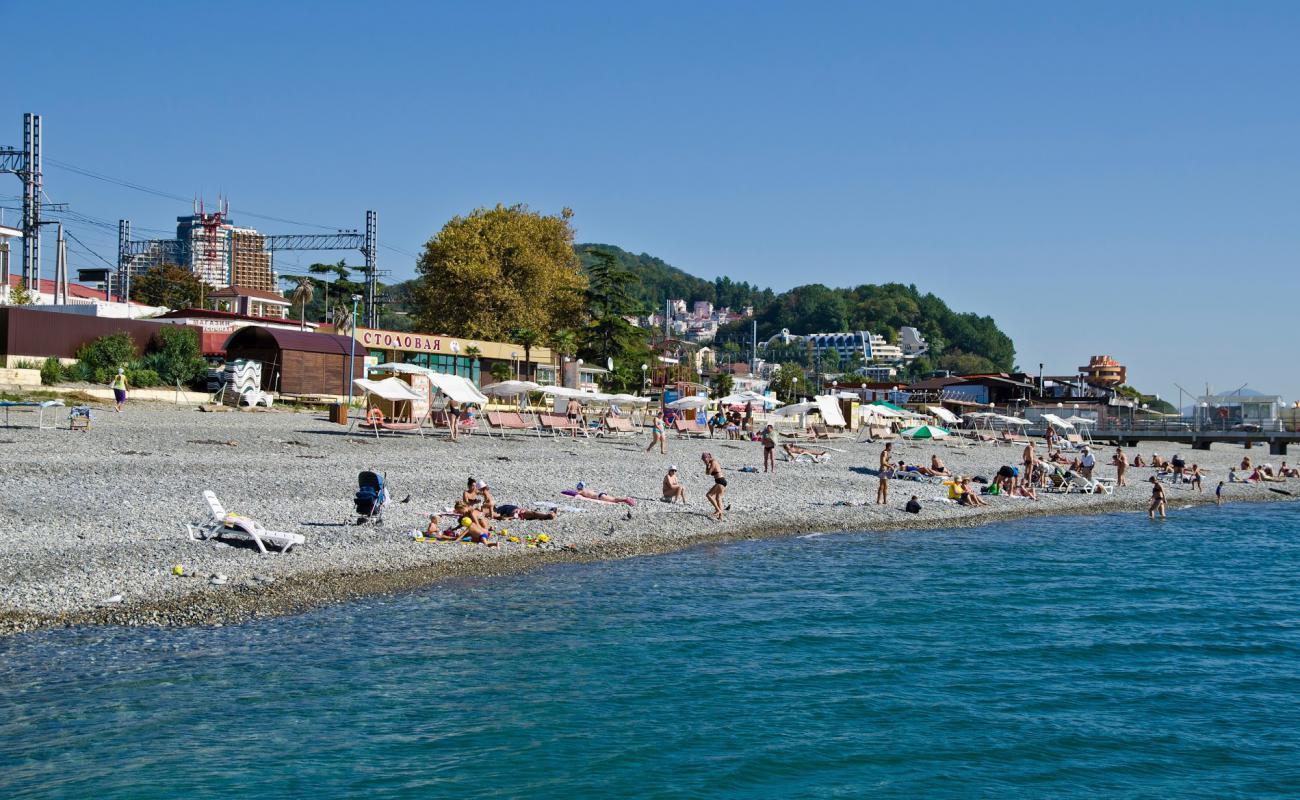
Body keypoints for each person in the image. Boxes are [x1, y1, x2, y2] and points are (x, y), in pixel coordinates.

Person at [702, 452, 727, 521]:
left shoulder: (713, 462)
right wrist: (707, 465)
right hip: (720, 481)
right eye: (703, 460)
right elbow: (707, 473)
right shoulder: (710, 462)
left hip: (721, 481)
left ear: (708, 457)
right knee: (718, 498)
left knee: (709, 495)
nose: (704, 461)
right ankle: (721, 517)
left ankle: (718, 510)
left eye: (704, 459)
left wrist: (707, 465)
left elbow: (709, 472)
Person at [573, 481, 638, 506]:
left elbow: (576, 494)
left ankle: (626, 499)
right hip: (600, 494)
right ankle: (626, 500)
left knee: (614, 500)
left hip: (600, 497)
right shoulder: (586, 490)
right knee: (614, 499)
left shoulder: (581, 491)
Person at [493, 504, 558, 521]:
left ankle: (549, 515)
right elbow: (503, 517)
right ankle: (549, 515)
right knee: (533, 514)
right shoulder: (497, 512)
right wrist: (511, 517)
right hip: (518, 513)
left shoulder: (498, 509)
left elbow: (503, 517)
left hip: (518, 511)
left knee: (534, 515)